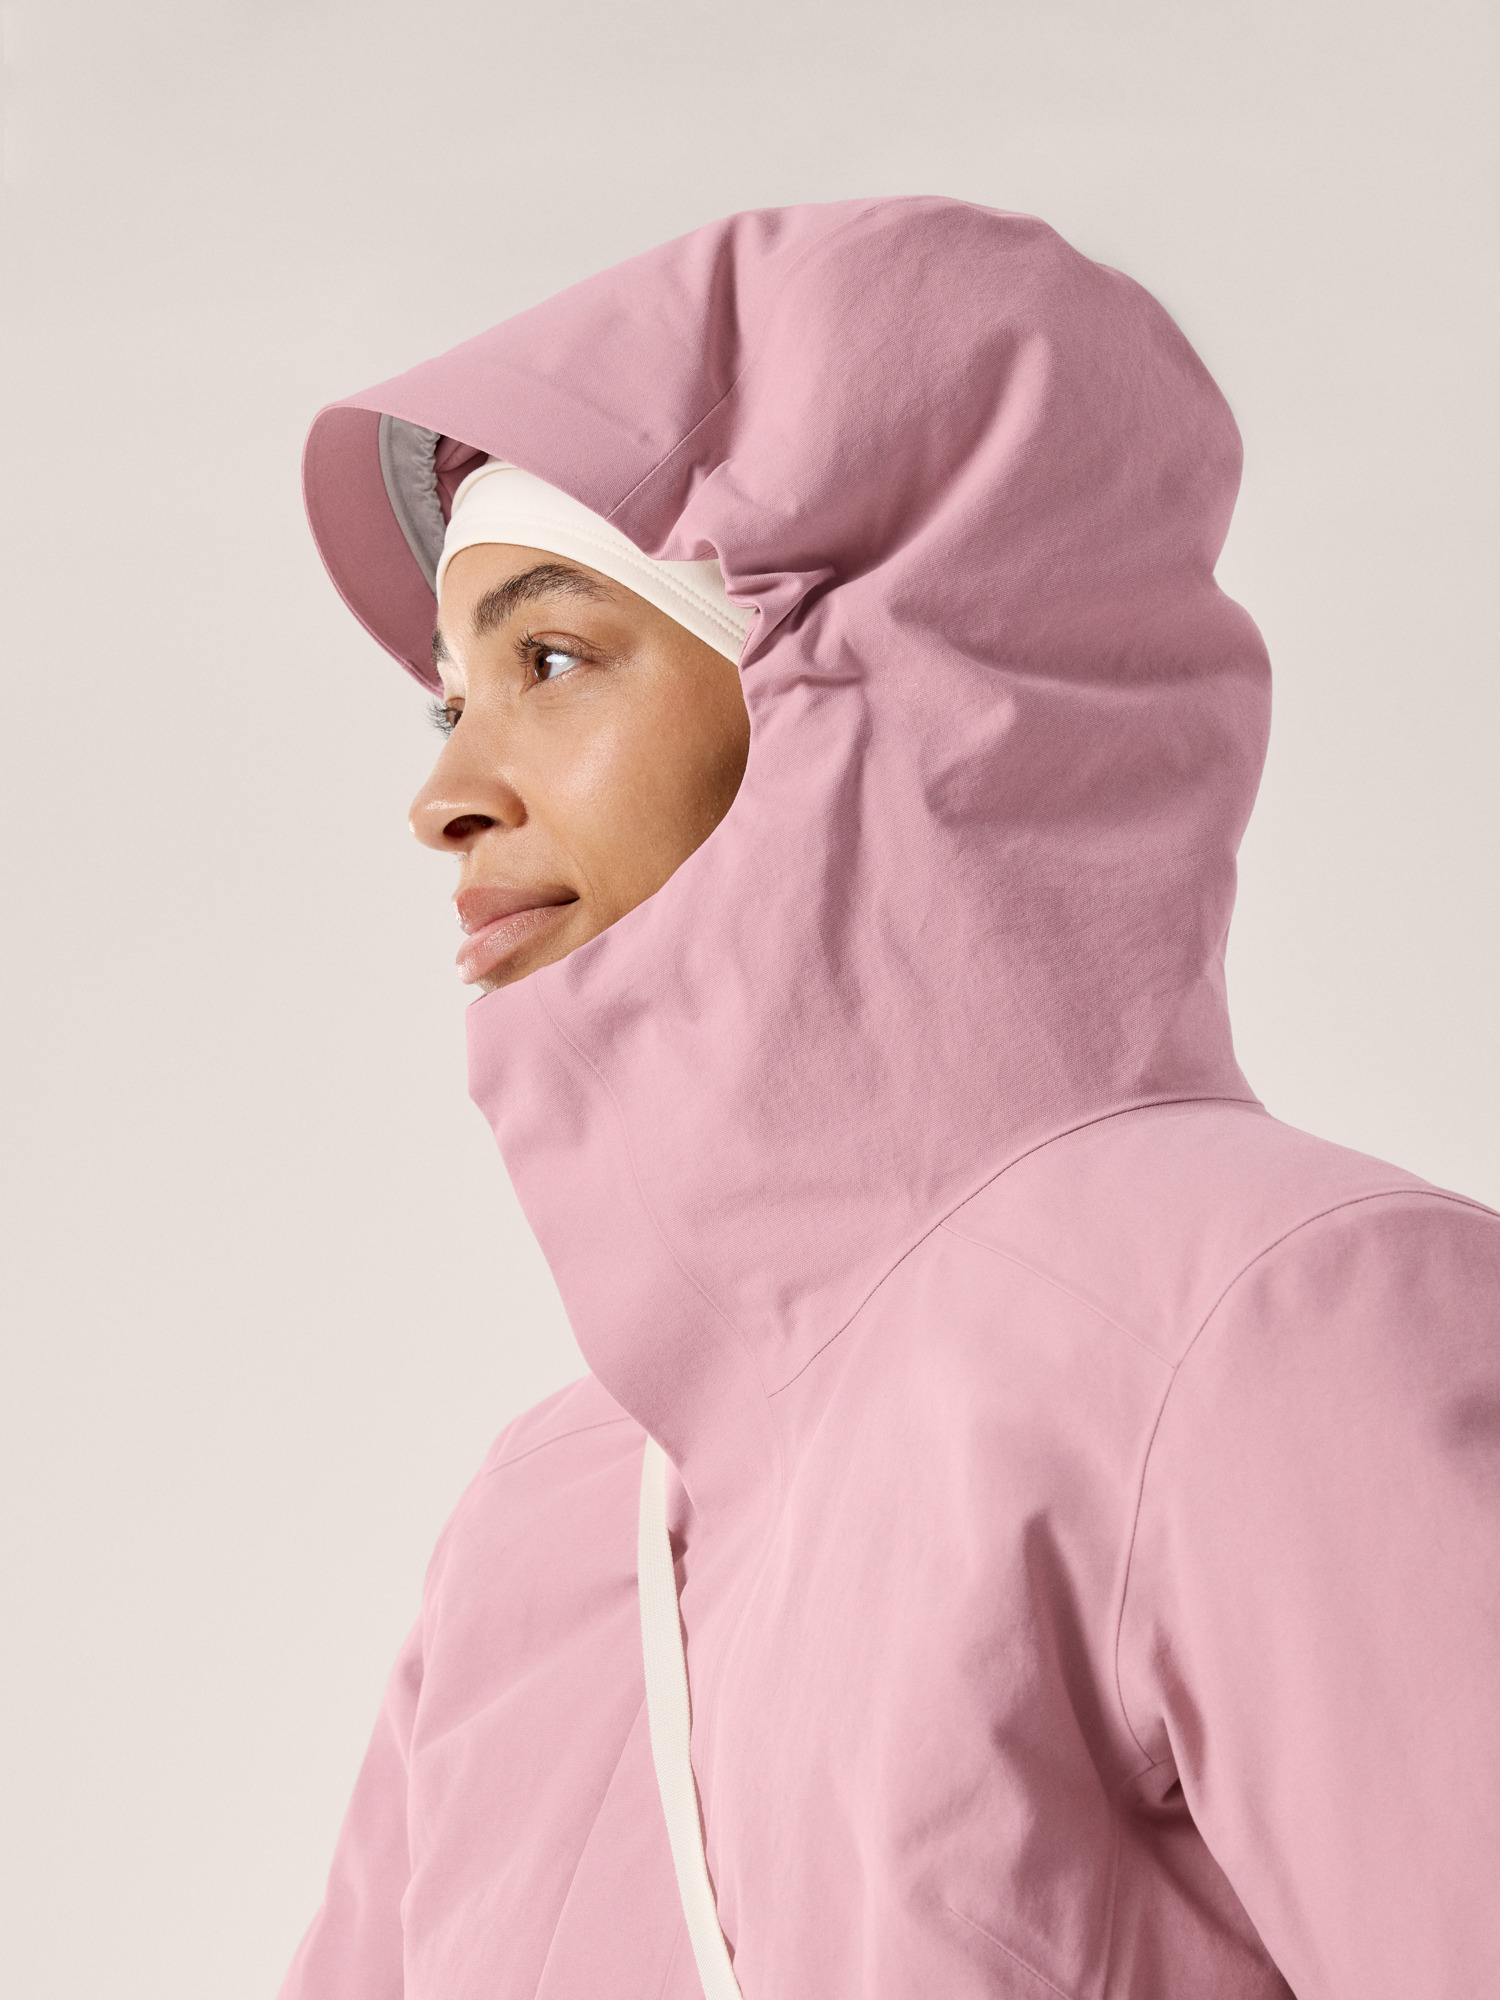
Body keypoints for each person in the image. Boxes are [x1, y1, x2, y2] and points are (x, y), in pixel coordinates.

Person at [284, 198, 1500, 2000]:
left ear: (881, 667)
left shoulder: (1281, 1321)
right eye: (449, 703)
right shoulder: (540, 1523)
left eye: (550, 661)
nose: (446, 794)